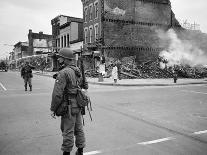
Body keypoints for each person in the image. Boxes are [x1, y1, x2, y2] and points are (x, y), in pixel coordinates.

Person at [50, 48, 88, 155]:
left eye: (60, 57)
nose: (59, 59)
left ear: (65, 59)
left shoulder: (63, 72)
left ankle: (66, 153)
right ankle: (80, 151)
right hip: (78, 105)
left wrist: (53, 109)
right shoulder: (77, 70)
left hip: (68, 106)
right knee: (79, 129)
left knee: (67, 131)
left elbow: (57, 94)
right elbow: (85, 86)